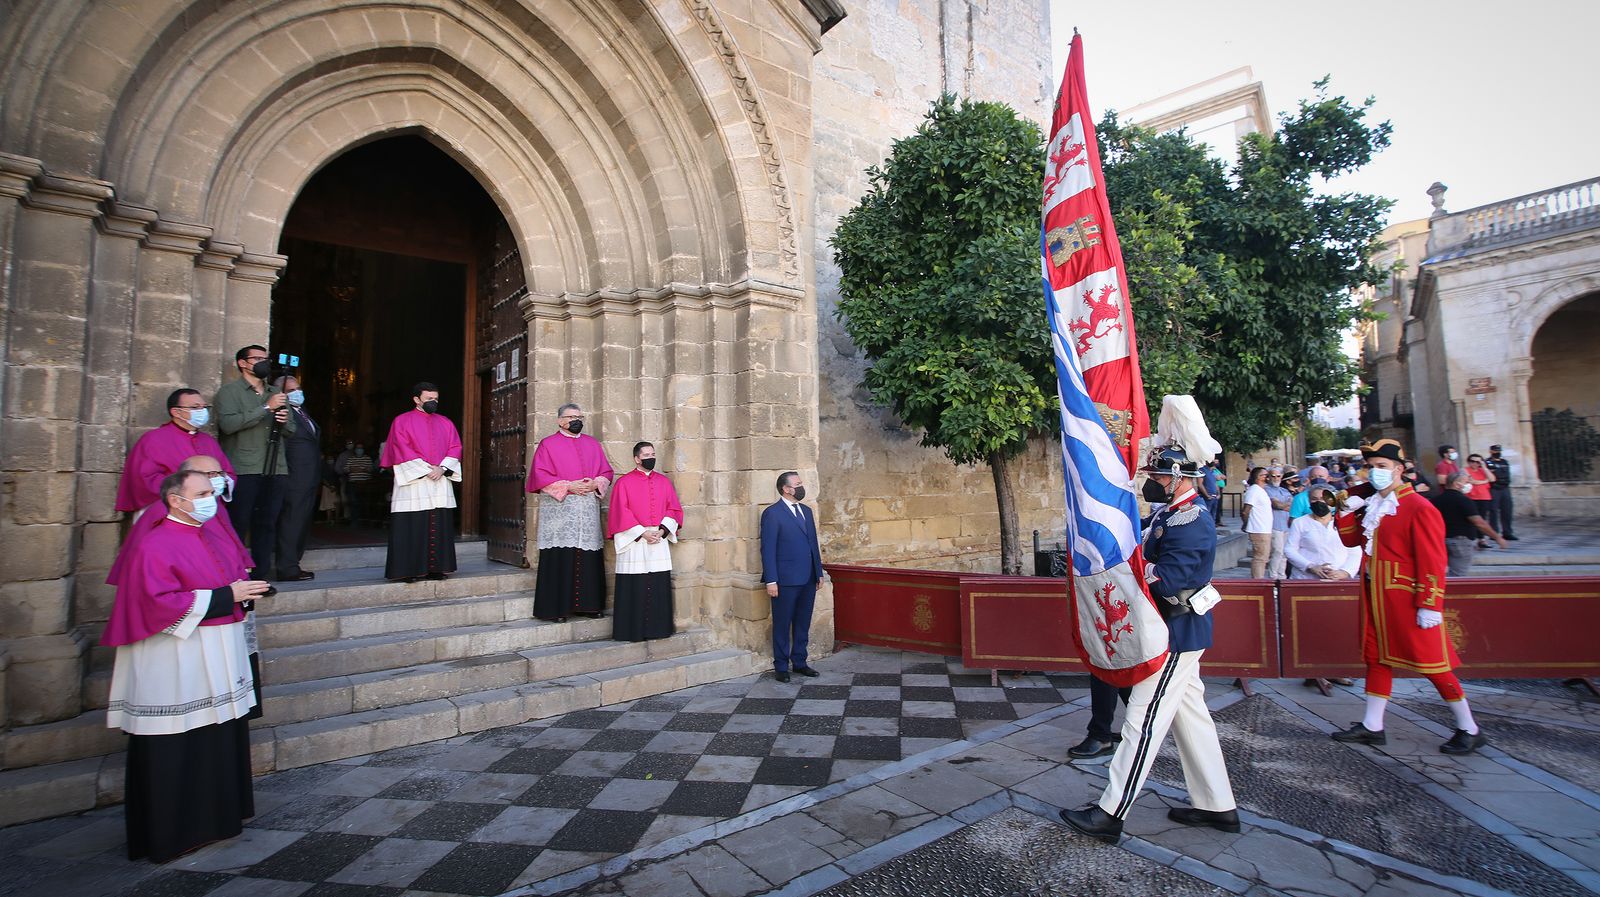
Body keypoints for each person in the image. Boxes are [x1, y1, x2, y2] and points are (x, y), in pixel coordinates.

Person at [1061, 404, 1237, 843]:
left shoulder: (1192, 520)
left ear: (1180, 478)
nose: (1153, 480)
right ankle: (1218, 805)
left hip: (1175, 632)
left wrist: (1130, 570)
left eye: (1159, 475)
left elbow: (1168, 578)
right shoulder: (1167, 514)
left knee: (1142, 721)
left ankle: (1111, 812)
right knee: (1192, 719)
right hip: (1173, 629)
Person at [102, 470, 269, 862]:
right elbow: (154, 602)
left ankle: (217, 819)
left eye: (213, 491)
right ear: (176, 500)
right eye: (203, 492)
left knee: (217, 732)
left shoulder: (213, 535)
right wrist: (226, 595)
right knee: (177, 737)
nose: (212, 499)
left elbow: (231, 579)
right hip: (176, 657)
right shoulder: (153, 543)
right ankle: (173, 833)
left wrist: (245, 591)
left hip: (218, 650)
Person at [1331, 439, 1487, 755]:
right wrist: (1345, 509)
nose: (1374, 472)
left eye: (1381, 466)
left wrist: (1429, 603)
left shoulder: (1419, 507)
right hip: (1376, 595)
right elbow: (1351, 541)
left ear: (1399, 469)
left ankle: (1469, 727)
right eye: (1371, 467)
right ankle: (1373, 725)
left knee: (1433, 663)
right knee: (1376, 658)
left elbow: (1433, 560)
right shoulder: (1373, 504)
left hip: (1407, 598)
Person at [527, 403, 614, 621]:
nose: (576, 420)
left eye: (579, 417)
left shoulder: (592, 443)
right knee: (561, 557)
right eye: (571, 417)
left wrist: (596, 483)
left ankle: (589, 605)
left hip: (586, 512)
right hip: (560, 512)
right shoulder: (548, 444)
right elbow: (539, 475)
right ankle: (556, 609)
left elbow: (606, 471)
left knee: (587, 557)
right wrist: (568, 486)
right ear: (560, 421)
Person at [216, 345, 295, 576]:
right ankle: (235, 575)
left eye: (266, 359)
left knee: (267, 524)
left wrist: (283, 419)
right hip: (245, 467)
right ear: (243, 363)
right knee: (238, 523)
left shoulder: (276, 392)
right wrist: (266, 408)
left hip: (275, 467)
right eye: (257, 358)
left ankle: (260, 575)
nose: (263, 363)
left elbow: (291, 429)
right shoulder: (229, 392)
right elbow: (228, 425)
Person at [379, 383, 462, 582]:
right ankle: (408, 571)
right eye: (429, 399)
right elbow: (401, 448)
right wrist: (427, 470)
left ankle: (436, 569)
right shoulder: (401, 421)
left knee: (438, 524)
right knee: (412, 526)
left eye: (436, 399)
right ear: (417, 399)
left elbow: (455, 447)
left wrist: (442, 468)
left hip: (439, 479)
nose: (433, 402)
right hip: (414, 481)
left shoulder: (446, 422)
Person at [116, 389, 238, 523]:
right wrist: (189, 489)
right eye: (195, 407)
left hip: (207, 510)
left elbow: (228, 473)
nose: (202, 411)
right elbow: (144, 478)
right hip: (168, 509)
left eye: (204, 407)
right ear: (176, 412)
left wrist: (220, 483)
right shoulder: (153, 439)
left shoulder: (208, 441)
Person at [606, 442, 684, 641]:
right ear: (637, 459)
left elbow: (673, 509)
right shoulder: (623, 483)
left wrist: (662, 530)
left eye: (653, 454)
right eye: (646, 455)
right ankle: (632, 631)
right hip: (635, 540)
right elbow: (620, 512)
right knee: (636, 585)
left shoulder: (664, 482)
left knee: (657, 583)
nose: (651, 458)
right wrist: (642, 533)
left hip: (658, 538)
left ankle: (659, 629)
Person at [760, 471, 825, 683]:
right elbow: (768, 549)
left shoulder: (806, 511)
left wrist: (818, 572)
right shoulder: (772, 513)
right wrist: (771, 580)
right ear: (786, 489)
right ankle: (781, 666)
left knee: (802, 622)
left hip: (808, 578)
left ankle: (800, 661)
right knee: (782, 623)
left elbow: (813, 544)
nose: (801, 487)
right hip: (785, 580)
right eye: (797, 484)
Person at [272, 375, 320, 581]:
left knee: (302, 521)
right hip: (293, 476)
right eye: (291, 390)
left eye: (298, 388)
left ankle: (294, 563)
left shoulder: (302, 412)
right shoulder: (283, 413)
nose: (297, 393)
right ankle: (287, 567)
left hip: (309, 476)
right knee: (291, 521)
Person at [1436, 473, 1508, 576]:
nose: (1469, 484)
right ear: (1457, 484)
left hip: (1440, 540)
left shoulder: (1436, 500)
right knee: (1458, 574)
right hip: (1460, 541)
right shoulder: (1464, 500)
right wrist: (1497, 537)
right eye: (1466, 482)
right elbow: (1478, 522)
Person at [1284, 488, 1361, 580]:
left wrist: (1345, 572)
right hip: (1306, 578)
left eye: (1323, 499)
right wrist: (1310, 566)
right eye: (1314, 499)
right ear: (1309, 501)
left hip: (1338, 579)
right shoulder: (1299, 522)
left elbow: (1355, 551)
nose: (1319, 502)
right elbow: (1290, 549)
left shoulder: (1344, 523)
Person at [1242, 467, 1272, 578]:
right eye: (1265, 475)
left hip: (1264, 528)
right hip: (1259, 529)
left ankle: (1259, 579)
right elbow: (1245, 511)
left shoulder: (1261, 490)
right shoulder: (1254, 490)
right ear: (1258, 477)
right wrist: (1246, 524)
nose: (1268, 477)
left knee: (1263, 557)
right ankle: (1258, 581)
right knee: (1260, 558)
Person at [1264, 467, 1293, 579]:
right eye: (1273, 476)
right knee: (1277, 552)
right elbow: (1277, 505)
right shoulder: (1267, 489)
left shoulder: (1284, 491)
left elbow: (1292, 505)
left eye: (1278, 476)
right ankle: (1273, 577)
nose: (1276, 478)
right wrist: (1285, 505)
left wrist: (1283, 505)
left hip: (1286, 525)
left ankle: (1282, 576)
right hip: (1275, 525)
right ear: (1269, 477)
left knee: (1284, 553)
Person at [1483, 445, 1517, 540]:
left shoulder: (1504, 462)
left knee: (1507, 510)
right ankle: (1494, 533)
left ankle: (1507, 532)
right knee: (1493, 511)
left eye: (1498, 451)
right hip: (1494, 488)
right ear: (1491, 451)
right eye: (1495, 451)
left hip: (1505, 488)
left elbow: (1507, 475)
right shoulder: (1487, 462)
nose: (1497, 452)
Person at [1464, 454, 1495, 547]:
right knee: (1471, 518)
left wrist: (1484, 467)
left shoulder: (1483, 470)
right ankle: (1471, 538)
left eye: (1478, 462)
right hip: (1471, 497)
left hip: (1484, 497)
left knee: (1482, 519)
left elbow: (1492, 479)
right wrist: (1485, 481)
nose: (1475, 463)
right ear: (1469, 462)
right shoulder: (1465, 470)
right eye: (1472, 461)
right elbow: (1472, 481)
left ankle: (1481, 539)